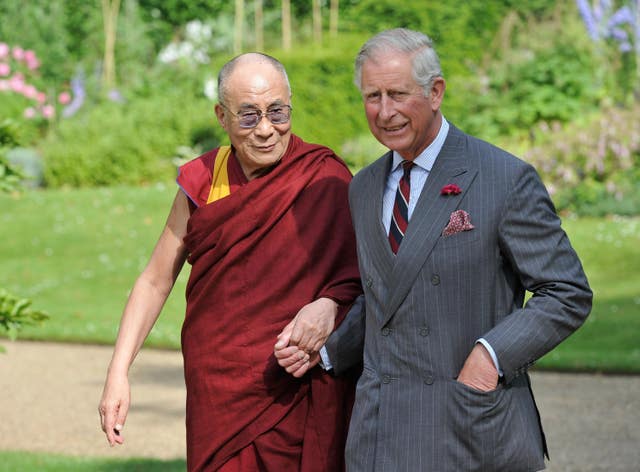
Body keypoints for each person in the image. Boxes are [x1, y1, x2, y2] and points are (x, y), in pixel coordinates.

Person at [275, 28, 592, 471]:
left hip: (468, 429)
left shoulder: (502, 178)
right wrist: (326, 350)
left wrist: (490, 357)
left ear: (436, 91)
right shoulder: (364, 187)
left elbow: (567, 292)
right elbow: (387, 297)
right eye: (372, 96)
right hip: (379, 436)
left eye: (398, 94)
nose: (385, 112)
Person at [98, 52, 362, 472]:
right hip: (219, 386)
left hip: (297, 386)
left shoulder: (324, 178)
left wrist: (330, 306)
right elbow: (154, 281)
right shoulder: (203, 181)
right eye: (248, 116)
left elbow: (364, 282)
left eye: (277, 112)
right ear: (222, 116)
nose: (265, 130)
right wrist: (118, 372)